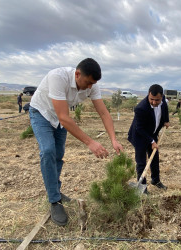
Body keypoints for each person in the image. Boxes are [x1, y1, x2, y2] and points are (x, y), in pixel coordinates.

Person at [29, 58, 123, 226]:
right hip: (41, 113)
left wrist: (113, 140)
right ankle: (54, 201)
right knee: (48, 151)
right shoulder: (58, 77)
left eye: (92, 84)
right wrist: (90, 142)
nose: (89, 88)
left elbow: (103, 113)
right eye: (87, 83)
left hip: (60, 118)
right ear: (77, 74)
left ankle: (55, 190)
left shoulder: (92, 85)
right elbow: (64, 118)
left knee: (58, 154)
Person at [128, 84, 169, 193]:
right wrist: (151, 141)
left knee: (154, 159)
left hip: (152, 133)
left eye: (157, 100)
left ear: (161, 97)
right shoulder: (141, 108)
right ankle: (142, 187)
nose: (154, 102)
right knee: (141, 162)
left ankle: (156, 180)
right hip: (139, 137)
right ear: (148, 95)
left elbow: (165, 107)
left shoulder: (163, 100)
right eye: (152, 99)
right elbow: (139, 128)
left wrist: (166, 120)